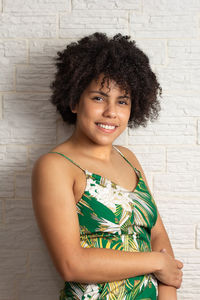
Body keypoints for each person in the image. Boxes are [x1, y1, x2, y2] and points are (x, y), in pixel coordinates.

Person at [31, 32, 183, 300]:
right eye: (99, 98)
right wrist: (157, 264)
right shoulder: (55, 167)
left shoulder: (128, 158)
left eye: (122, 101)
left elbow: (157, 233)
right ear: (74, 101)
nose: (111, 112)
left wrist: (168, 293)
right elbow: (71, 264)